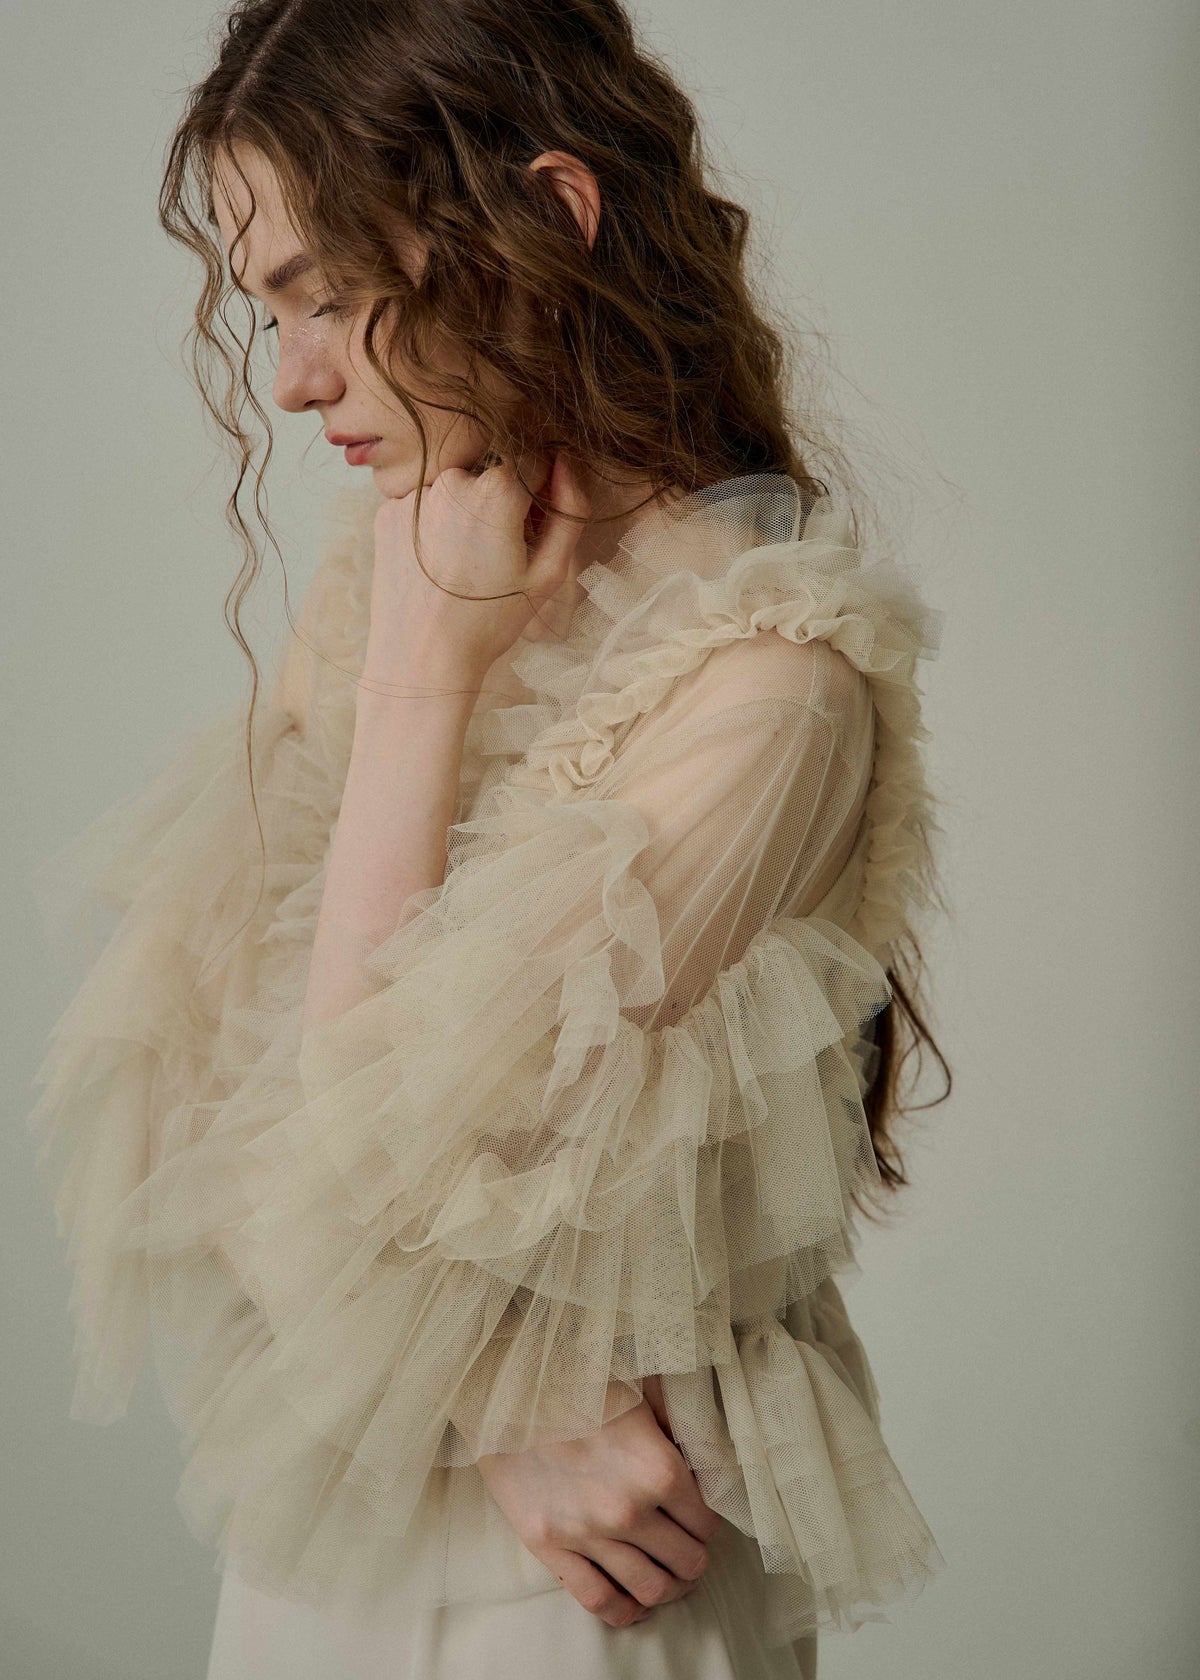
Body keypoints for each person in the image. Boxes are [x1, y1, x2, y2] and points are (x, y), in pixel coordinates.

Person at [26, 2, 950, 1675]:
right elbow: (202, 1145)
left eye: (325, 293)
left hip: (586, 1591)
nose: (293, 378)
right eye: (270, 309)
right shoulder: (394, 589)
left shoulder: (770, 691)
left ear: (550, 219)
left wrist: (416, 693)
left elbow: (345, 1190)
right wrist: (514, 1405)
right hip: (346, 1563)